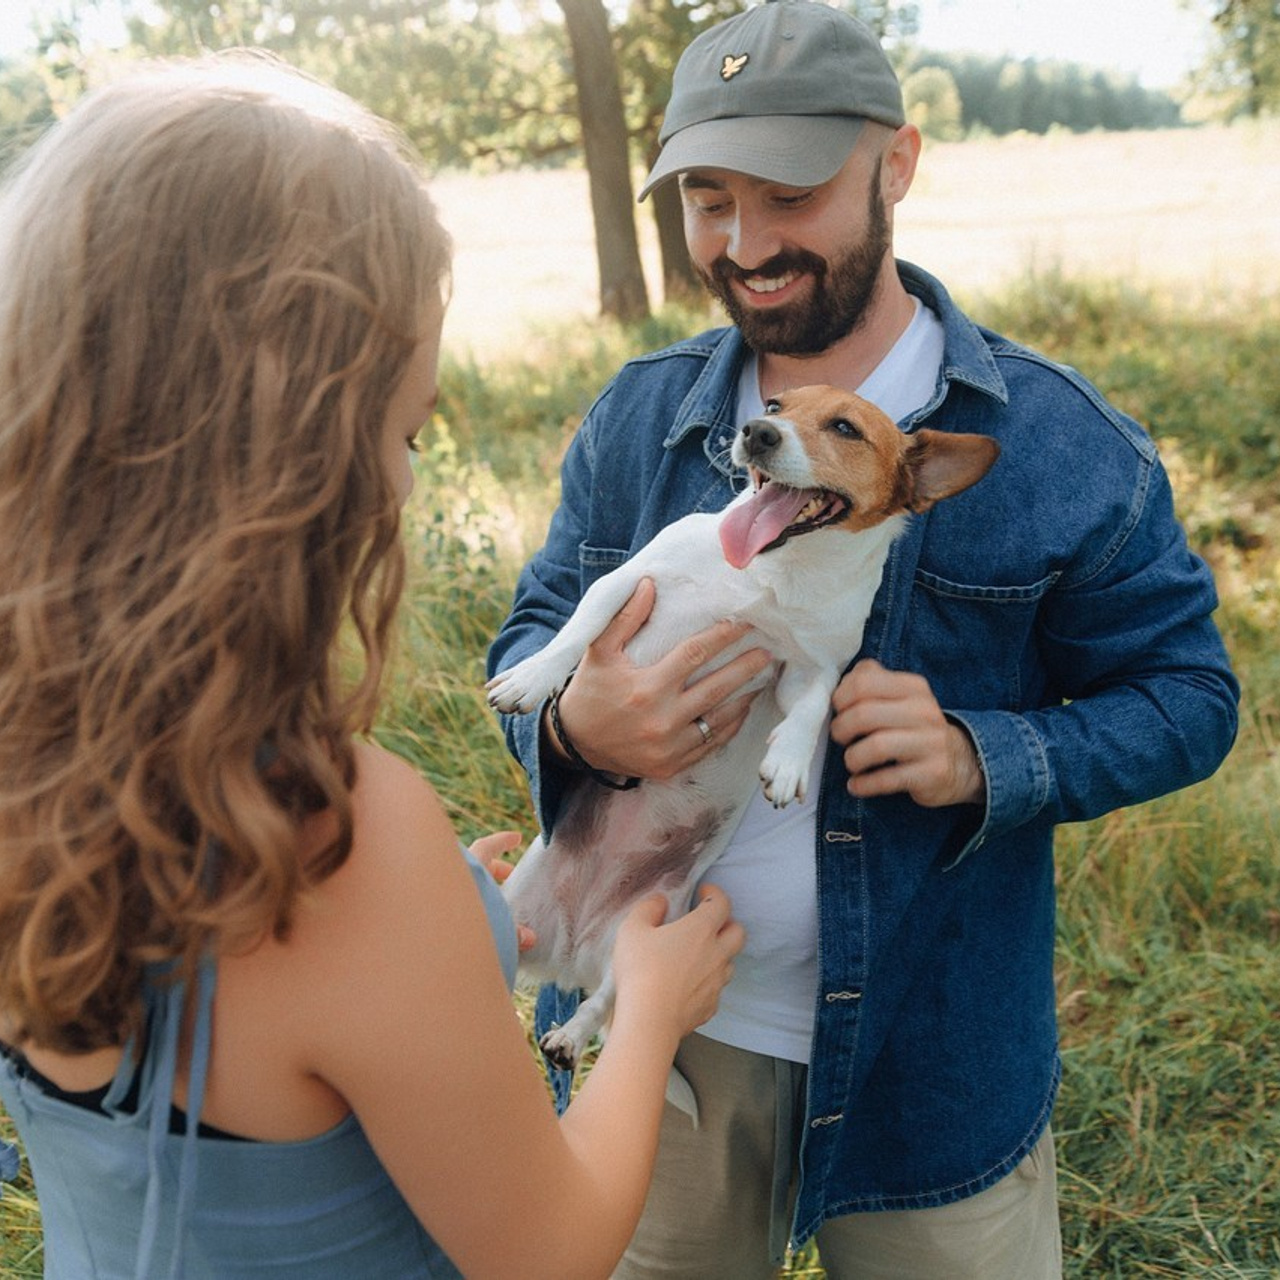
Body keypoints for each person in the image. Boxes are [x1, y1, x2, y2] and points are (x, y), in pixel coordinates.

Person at [487, 3, 1240, 1276]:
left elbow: (1190, 696)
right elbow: (525, 640)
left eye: (789, 191)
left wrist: (979, 755)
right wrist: (572, 721)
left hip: (930, 1065)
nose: (746, 242)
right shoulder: (636, 416)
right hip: (657, 1039)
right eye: (708, 199)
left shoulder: (1062, 450)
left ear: (894, 163)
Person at [0, 53, 744, 1280]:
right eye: (398, 433)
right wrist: (649, 1010)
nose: (402, 484)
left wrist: (451, 935)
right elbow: (547, 1250)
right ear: (286, 453)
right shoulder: (339, 837)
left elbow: (235, 1033)